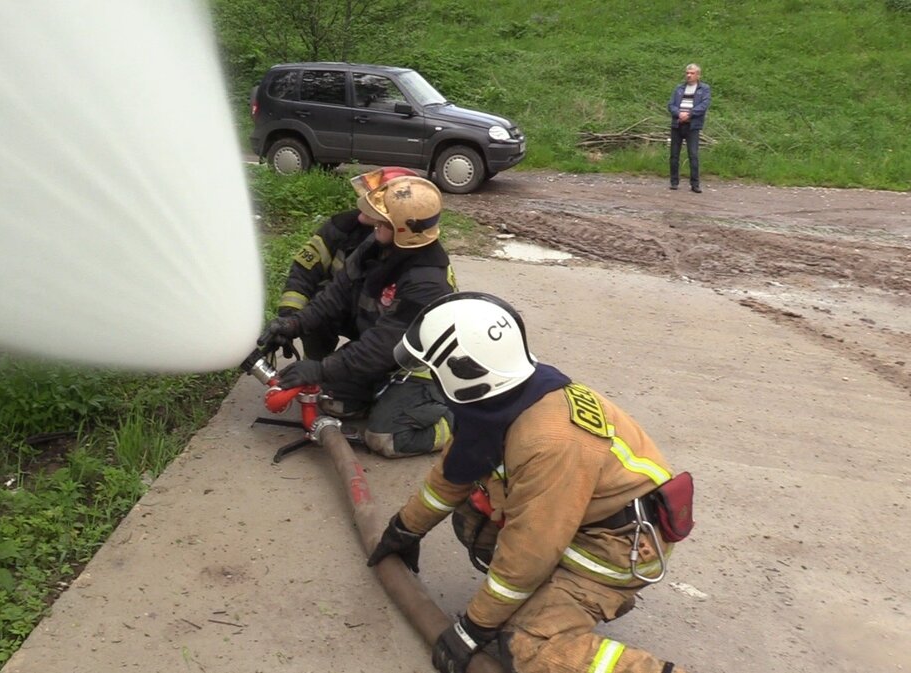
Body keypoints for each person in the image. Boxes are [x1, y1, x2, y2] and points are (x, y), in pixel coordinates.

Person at [367, 292, 694, 673]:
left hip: (614, 547)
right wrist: (405, 529)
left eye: (433, 370)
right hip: (581, 521)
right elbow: (452, 476)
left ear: (463, 370)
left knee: (527, 648)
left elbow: (530, 550)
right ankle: (539, 599)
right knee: (473, 518)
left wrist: (474, 627)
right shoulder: (501, 398)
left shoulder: (550, 439)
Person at [256, 175, 456, 458]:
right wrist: (294, 323)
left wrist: (321, 369)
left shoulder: (426, 281)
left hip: (422, 369)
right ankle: (380, 396)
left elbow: (380, 347)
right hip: (389, 356)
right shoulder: (379, 247)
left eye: (382, 219)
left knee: (385, 438)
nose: (374, 222)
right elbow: (335, 294)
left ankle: (453, 421)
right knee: (333, 402)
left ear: (401, 229)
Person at [277, 166, 419, 359]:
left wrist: (336, 369)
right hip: (340, 310)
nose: (363, 203)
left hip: (380, 327)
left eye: (373, 201)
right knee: (315, 306)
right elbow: (304, 273)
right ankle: (315, 361)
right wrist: (289, 321)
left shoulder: (416, 257)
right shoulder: (342, 227)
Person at [668, 63, 711, 193]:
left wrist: (690, 114)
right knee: (674, 155)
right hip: (677, 124)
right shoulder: (679, 88)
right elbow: (671, 104)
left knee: (693, 154)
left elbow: (704, 105)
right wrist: (678, 114)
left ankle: (695, 184)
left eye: (692, 73)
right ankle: (674, 182)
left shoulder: (704, 89)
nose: (689, 75)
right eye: (687, 73)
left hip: (692, 126)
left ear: (698, 75)